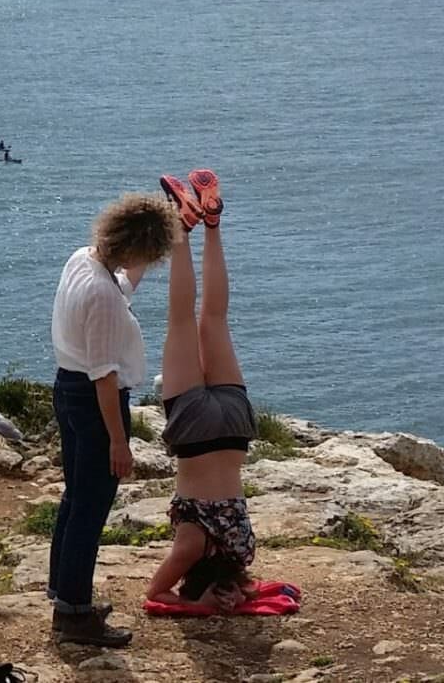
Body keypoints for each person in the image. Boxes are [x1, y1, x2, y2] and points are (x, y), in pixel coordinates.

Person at [48, 193, 183, 647]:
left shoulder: (83, 262)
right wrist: (118, 441)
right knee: (91, 506)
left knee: (75, 497)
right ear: (142, 245)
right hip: (94, 402)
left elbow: (122, 283)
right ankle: (74, 617)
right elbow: (104, 376)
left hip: (66, 389)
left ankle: (65, 593)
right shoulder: (103, 296)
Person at [146, 169, 259, 610]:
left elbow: (226, 581)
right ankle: (181, 227)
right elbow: (156, 596)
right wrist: (197, 605)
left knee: (214, 319)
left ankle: (211, 224)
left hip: (234, 429)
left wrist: (220, 593)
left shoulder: (241, 549)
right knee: (180, 321)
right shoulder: (192, 547)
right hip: (194, 434)